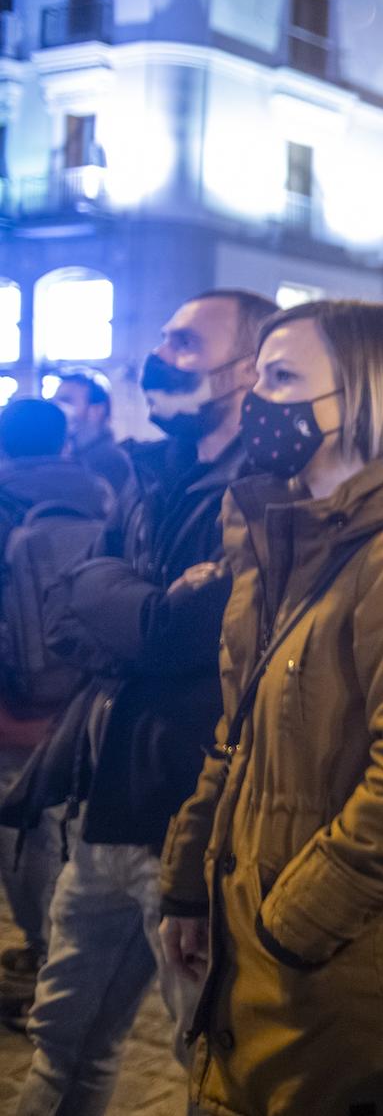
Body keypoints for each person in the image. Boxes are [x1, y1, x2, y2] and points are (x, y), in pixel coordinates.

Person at [155, 300, 383, 1116]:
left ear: (365, 396)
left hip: (352, 974)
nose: (258, 398)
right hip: (260, 955)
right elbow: (239, 736)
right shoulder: (289, 541)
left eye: (284, 378)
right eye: (260, 374)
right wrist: (190, 884)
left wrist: (289, 928)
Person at [5, 290, 278, 1115]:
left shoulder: (266, 491)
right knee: (64, 1044)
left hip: (192, 821)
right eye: (163, 338)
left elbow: (175, 632)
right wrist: (134, 606)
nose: (162, 356)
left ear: (247, 371)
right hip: (105, 804)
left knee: (211, 1067)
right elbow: (74, 611)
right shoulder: (152, 475)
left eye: (187, 343)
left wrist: (130, 607)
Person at [0, 398, 115, 1020]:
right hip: (87, 680)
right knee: (69, 813)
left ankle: (45, 951)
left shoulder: (3, 499)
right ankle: (65, 947)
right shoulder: (105, 491)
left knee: (18, 819)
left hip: (18, 691)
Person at [51, 370, 131, 502]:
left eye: (66, 401)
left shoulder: (110, 461)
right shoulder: (73, 455)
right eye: (55, 401)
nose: (58, 408)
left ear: (97, 410)